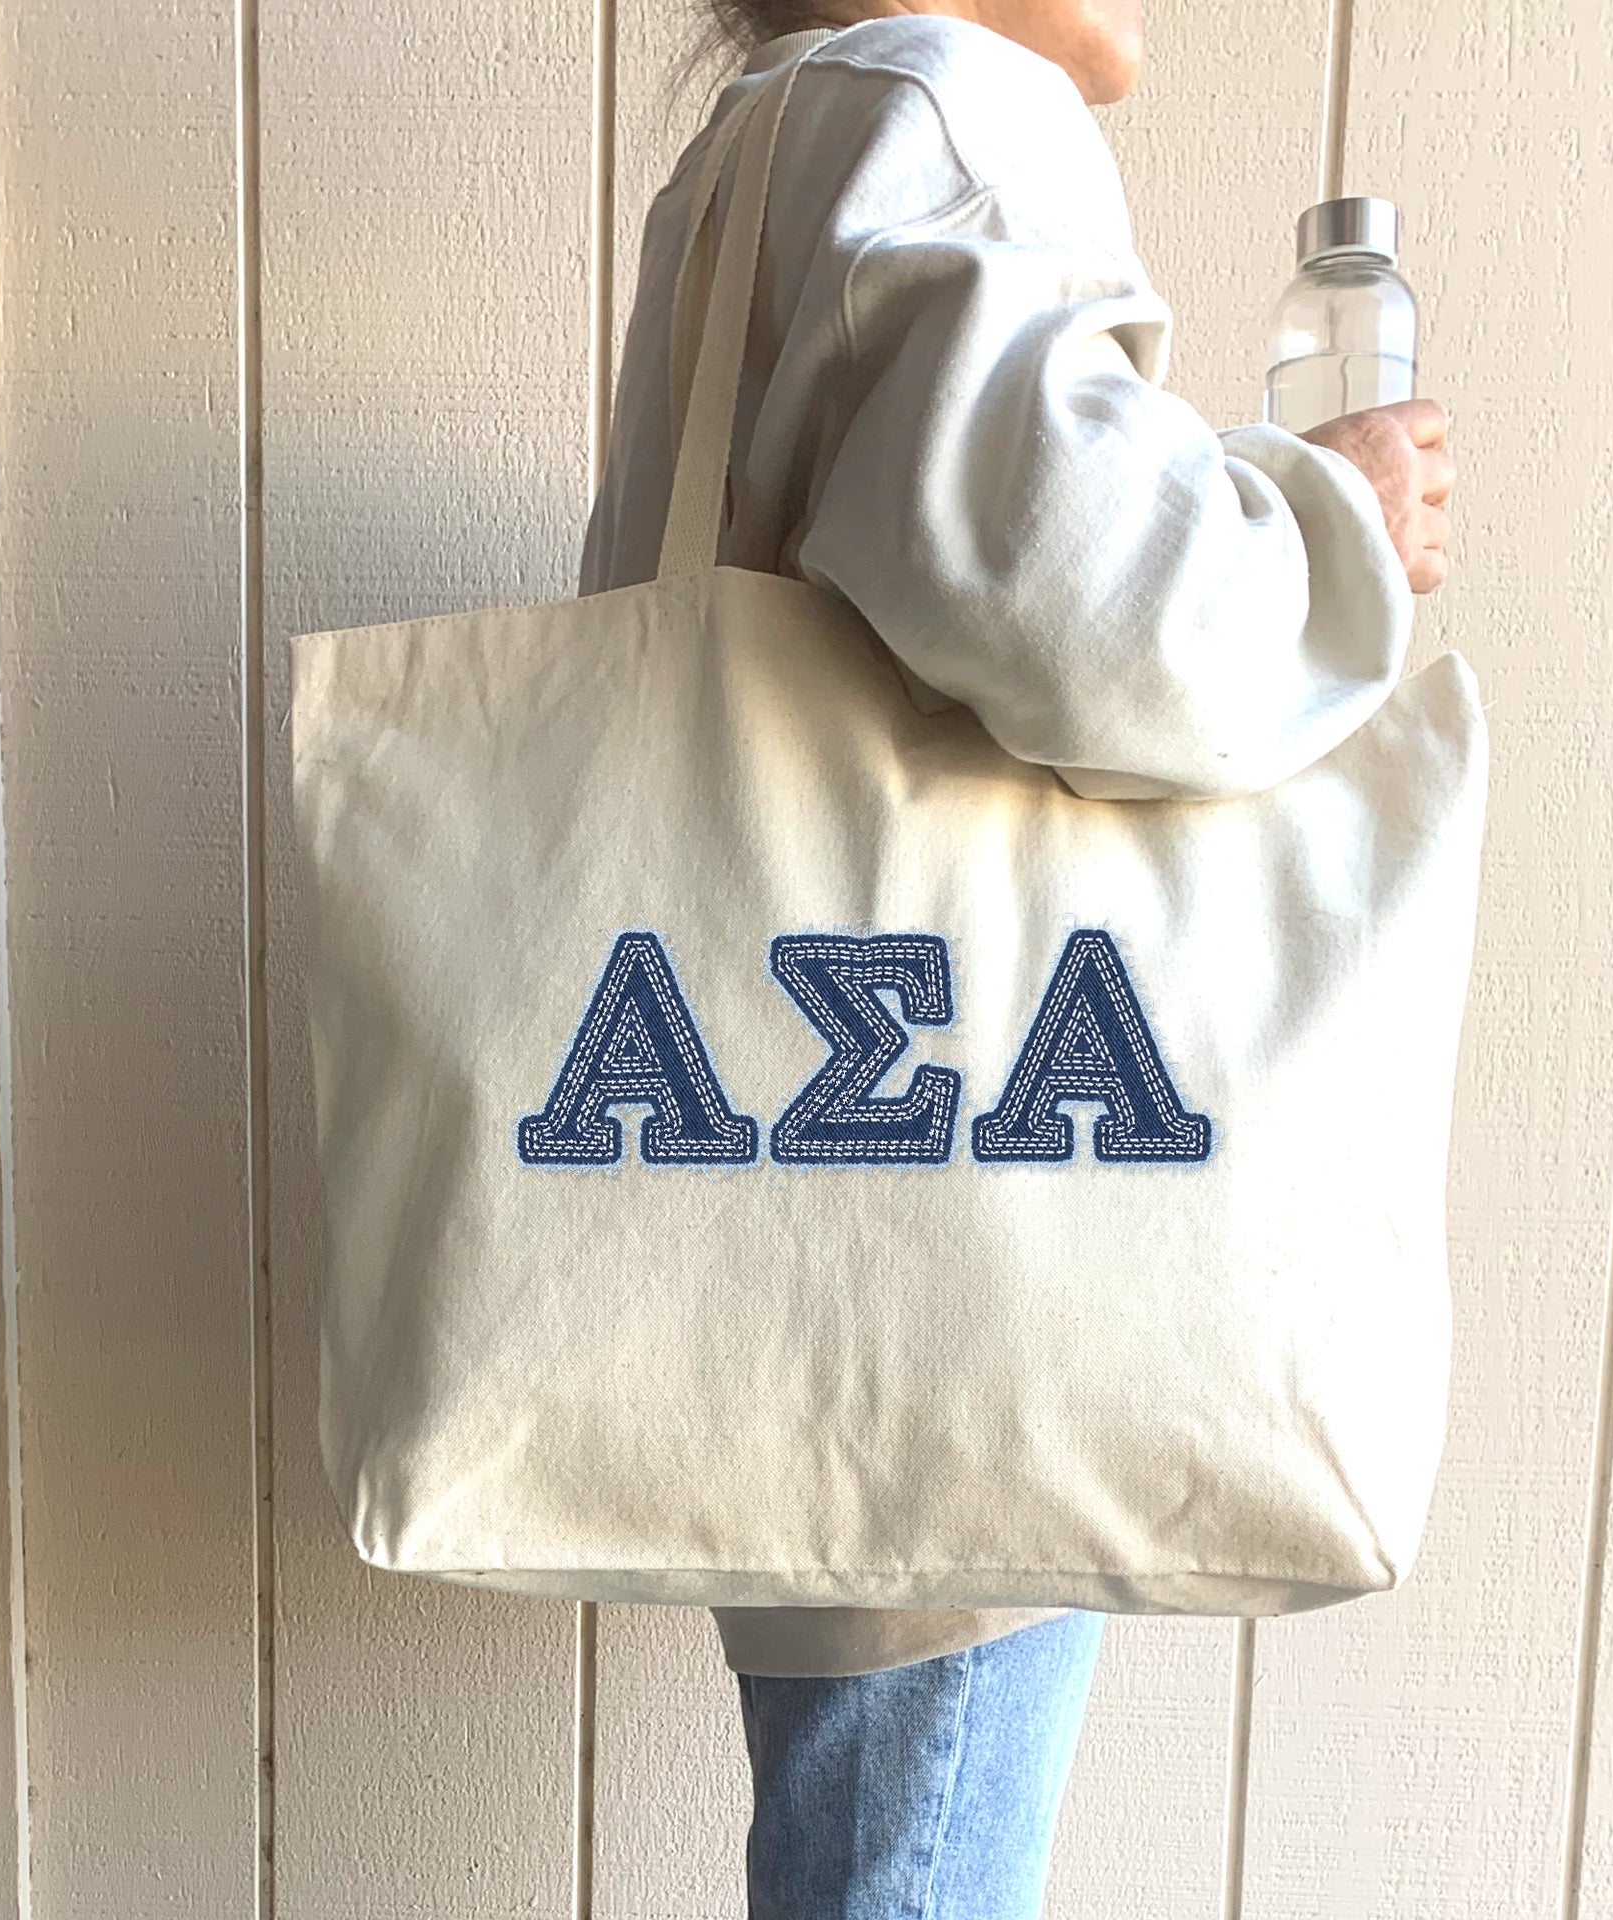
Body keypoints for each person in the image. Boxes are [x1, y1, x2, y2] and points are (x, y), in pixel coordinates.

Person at [579, 4, 1454, 1913]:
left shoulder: (767, 140)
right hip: (966, 1226)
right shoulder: (951, 107)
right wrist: (1338, 526)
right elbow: (1095, 614)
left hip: (806, 1181)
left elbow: (950, 543)